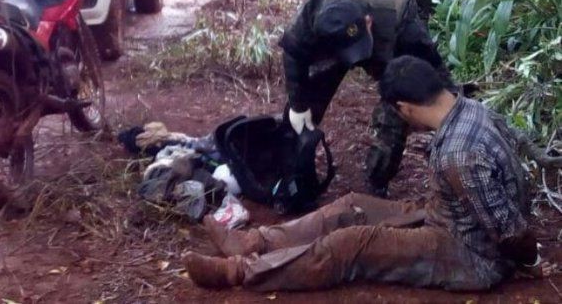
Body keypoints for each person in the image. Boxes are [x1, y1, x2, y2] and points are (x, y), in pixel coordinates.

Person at [183, 55, 538, 292]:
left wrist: (531, 261)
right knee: (352, 205)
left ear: (404, 108)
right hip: (450, 214)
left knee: (351, 245)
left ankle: (241, 270)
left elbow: (509, 232)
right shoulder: (470, 110)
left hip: (473, 254)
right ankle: (253, 241)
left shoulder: (459, 156)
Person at [279, 0, 446, 196]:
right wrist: (298, 105)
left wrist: (448, 114)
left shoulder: (401, 16)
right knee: (305, 101)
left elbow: (431, 67)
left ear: (368, 22)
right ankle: (290, 172)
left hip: (395, 0)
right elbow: (293, 52)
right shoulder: (315, 10)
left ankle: (377, 183)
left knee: (395, 111)